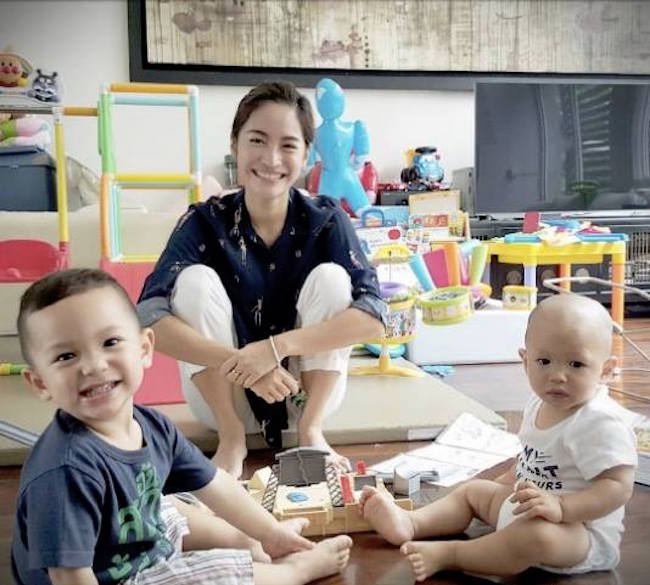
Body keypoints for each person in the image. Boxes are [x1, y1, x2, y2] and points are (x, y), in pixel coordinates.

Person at [11, 268, 353, 585]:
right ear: (40, 382)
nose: (94, 365)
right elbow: (69, 576)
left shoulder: (152, 426)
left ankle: (250, 543)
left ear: (144, 349)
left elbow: (215, 485)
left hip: (132, 538)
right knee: (210, 571)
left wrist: (271, 532)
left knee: (164, 505)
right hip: (113, 578)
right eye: (66, 357)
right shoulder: (65, 471)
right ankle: (293, 572)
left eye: (110, 342)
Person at [137, 81, 386, 478]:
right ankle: (232, 437)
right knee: (193, 282)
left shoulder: (327, 220)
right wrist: (244, 364)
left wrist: (274, 349)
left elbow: (374, 316)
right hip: (224, 399)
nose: (271, 159)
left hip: (303, 394)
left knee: (333, 278)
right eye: (257, 140)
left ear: (307, 154)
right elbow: (147, 318)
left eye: (288, 145)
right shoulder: (202, 220)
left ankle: (311, 431)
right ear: (235, 145)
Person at [360, 294, 638, 580]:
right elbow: (530, 458)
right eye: (544, 361)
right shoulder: (539, 403)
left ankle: (451, 555)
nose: (557, 375)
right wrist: (502, 485)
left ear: (606, 370)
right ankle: (412, 522)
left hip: (576, 535)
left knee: (535, 536)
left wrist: (562, 507)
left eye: (576, 364)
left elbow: (617, 486)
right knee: (473, 492)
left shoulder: (600, 421)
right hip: (527, 507)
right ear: (525, 361)